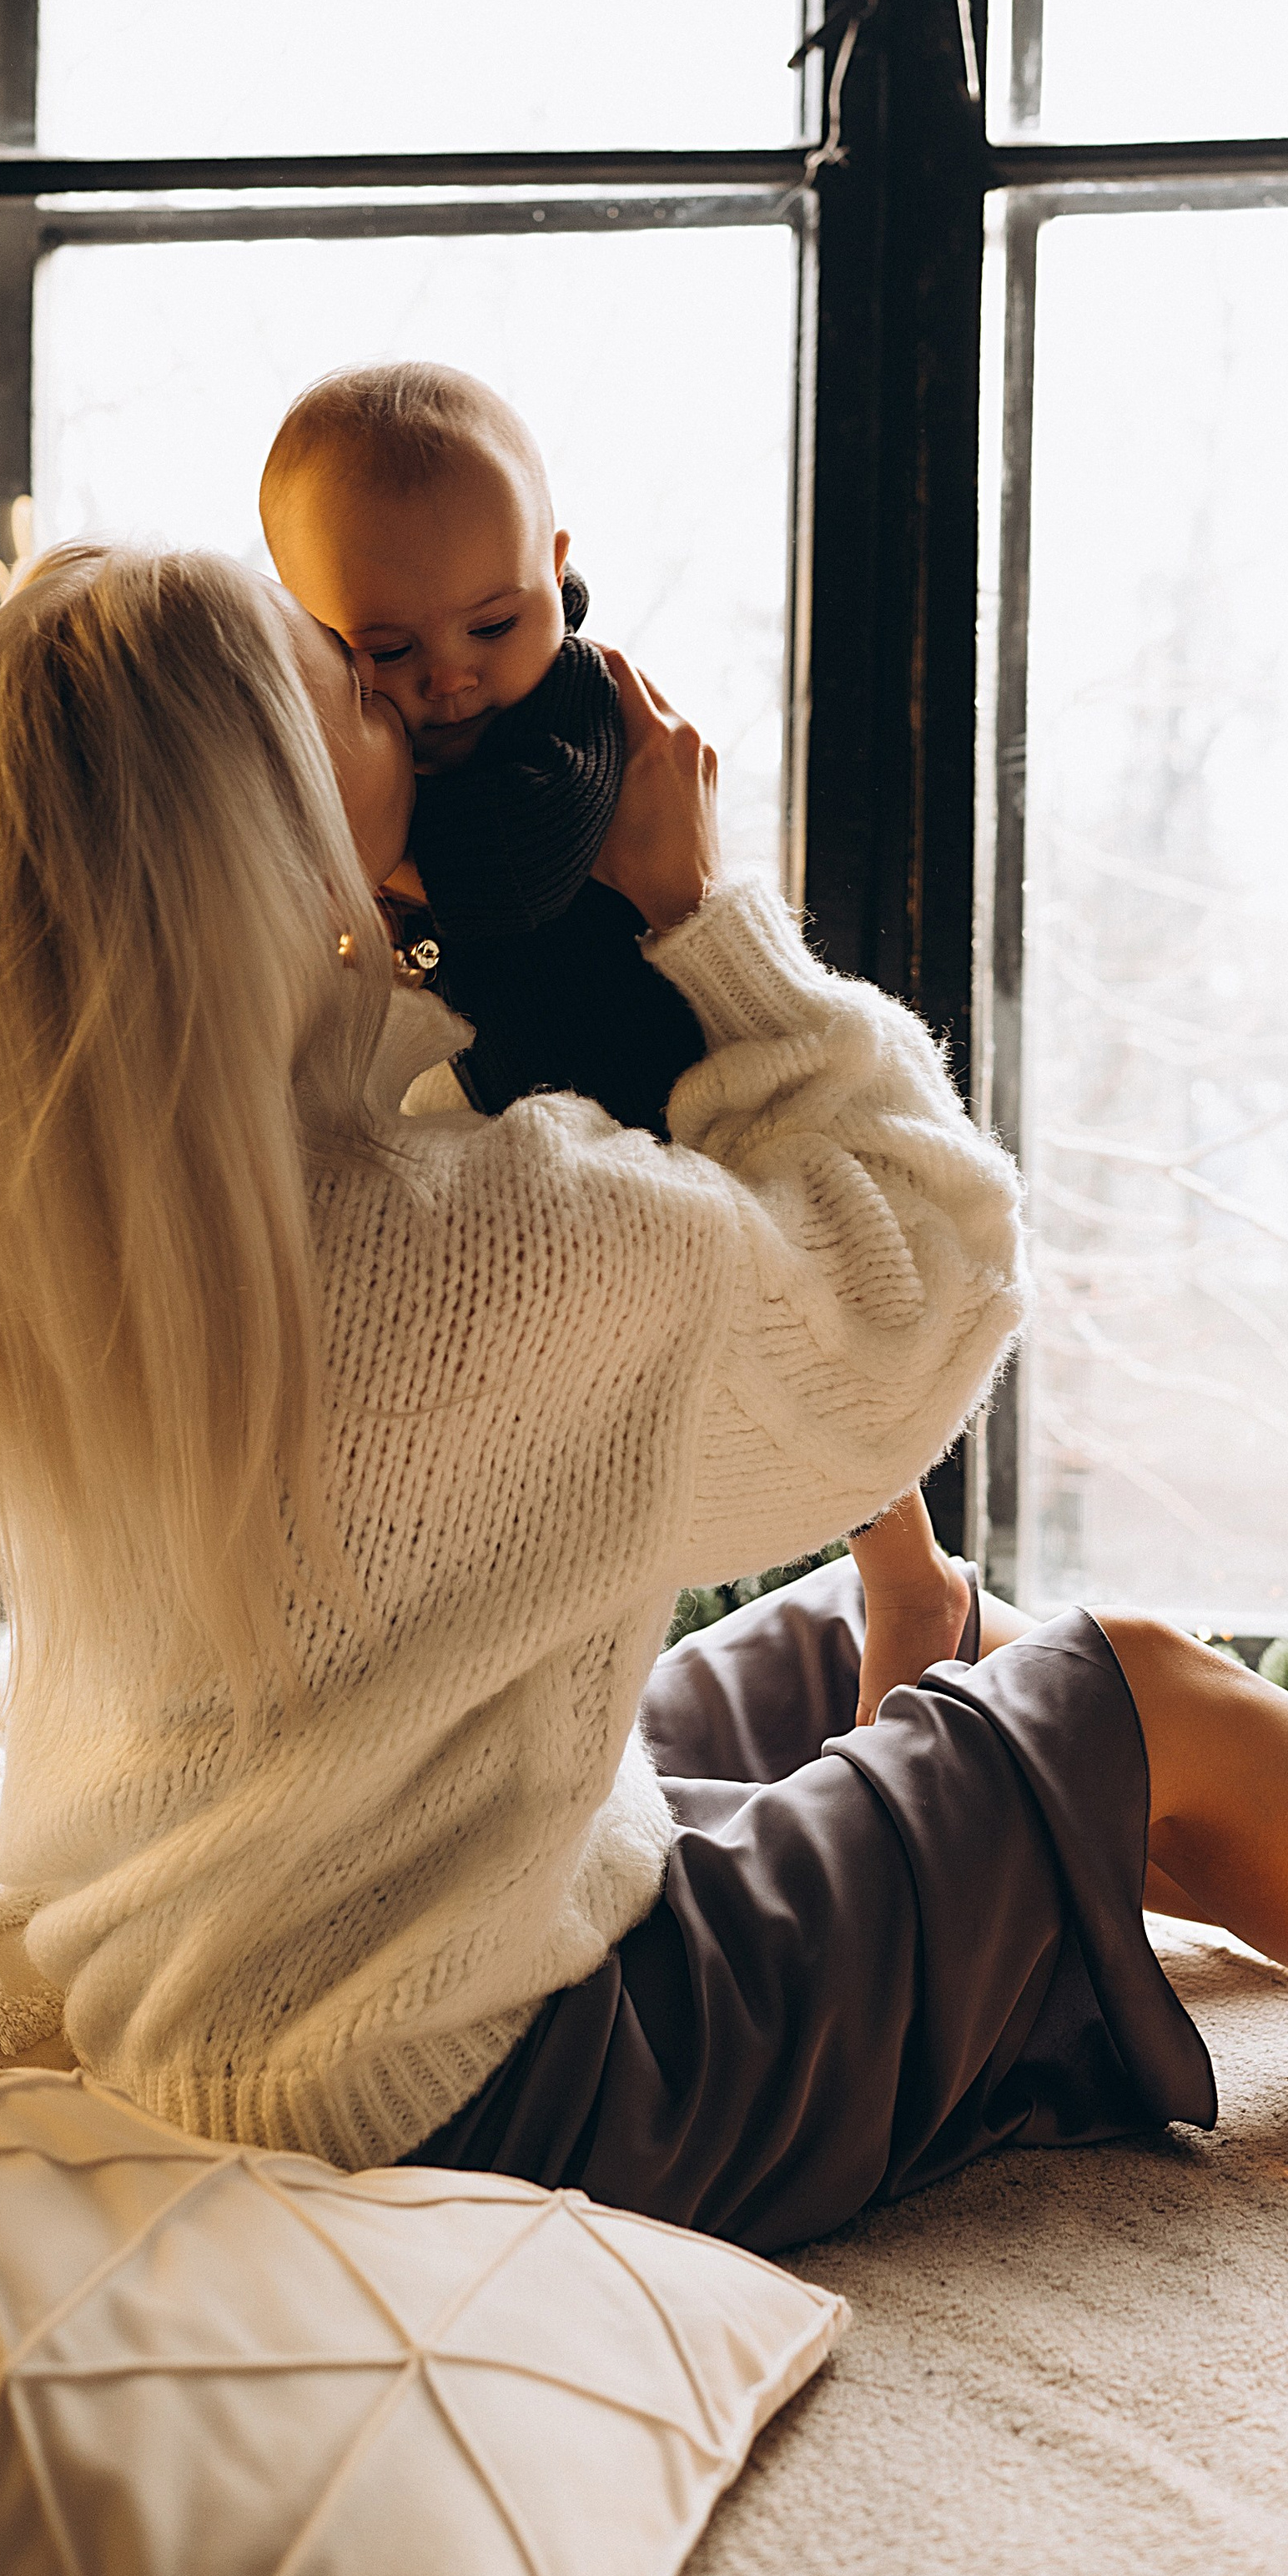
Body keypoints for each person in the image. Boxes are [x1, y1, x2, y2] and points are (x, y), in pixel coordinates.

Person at [0, 542, 1288, 2260]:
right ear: (263, 835)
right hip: (518, 2098)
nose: (416, 705)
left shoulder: (104, 1258)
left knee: (865, 1620)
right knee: (1136, 1696)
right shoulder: (482, 1236)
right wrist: (696, 911)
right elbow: (929, 1288)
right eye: (352, 690)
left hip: (232, 1996)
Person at [259, 357, 967, 1727]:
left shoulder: (579, 707)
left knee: (786, 1332)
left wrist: (378, 866)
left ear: (559, 573)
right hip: (510, 1094)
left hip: (657, 1057)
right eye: (387, 652)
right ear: (309, 632)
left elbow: (523, 876)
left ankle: (908, 1577)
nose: (453, 680)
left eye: (493, 622)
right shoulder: (353, 743)